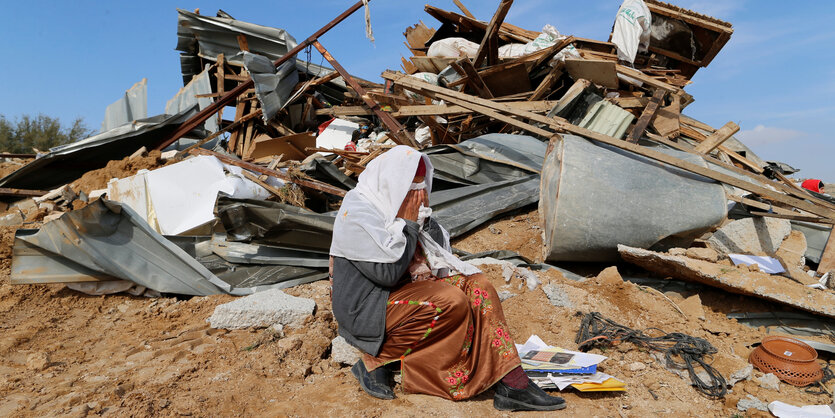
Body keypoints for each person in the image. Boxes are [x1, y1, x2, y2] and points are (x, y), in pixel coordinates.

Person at [329, 145, 566, 411]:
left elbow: (437, 254)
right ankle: (376, 360)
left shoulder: (398, 208)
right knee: (449, 300)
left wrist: (421, 223)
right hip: (366, 308)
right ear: (390, 185)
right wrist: (408, 224)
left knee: (479, 284)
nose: (419, 197)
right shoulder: (358, 215)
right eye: (412, 190)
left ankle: (513, 382)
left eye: (422, 188)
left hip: (403, 297)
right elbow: (387, 274)